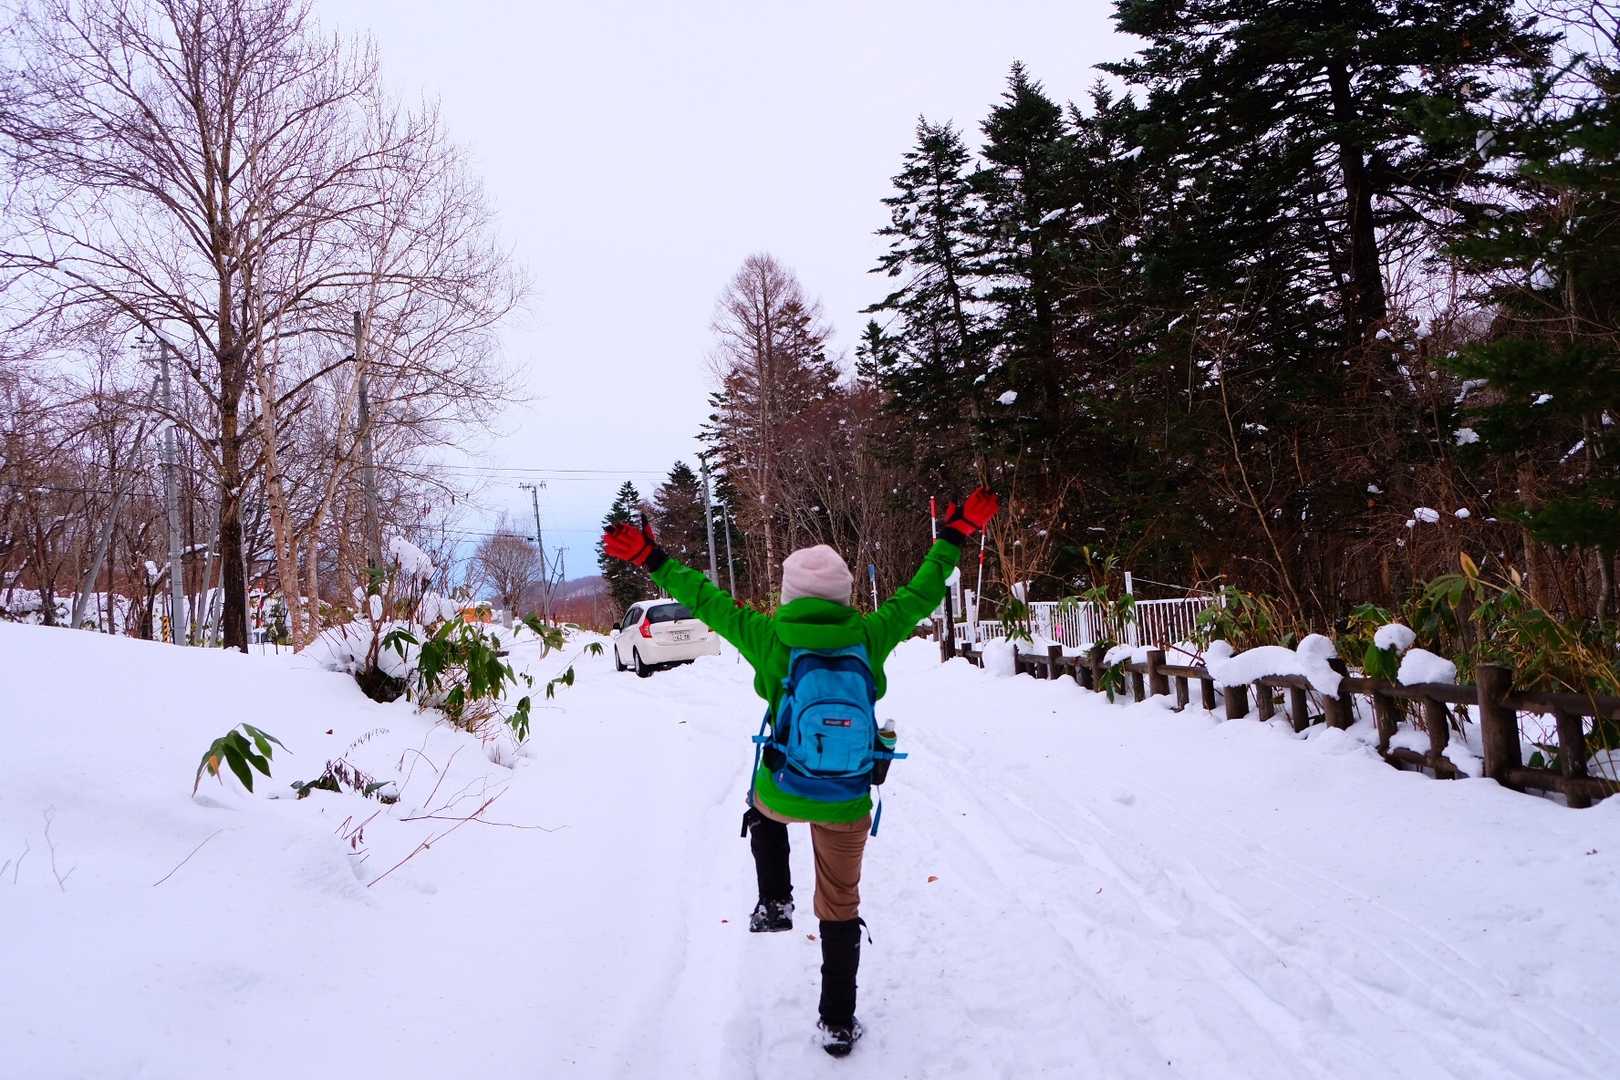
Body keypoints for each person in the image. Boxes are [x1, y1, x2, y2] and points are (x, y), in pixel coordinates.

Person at [601, 487, 999, 1057]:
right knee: (841, 905)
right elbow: (920, 593)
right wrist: (955, 534)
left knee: (760, 805)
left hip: (785, 787)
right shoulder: (870, 634)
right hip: (847, 796)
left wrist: (652, 557)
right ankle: (837, 1022)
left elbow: (705, 599)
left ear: (790, 594)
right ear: (843, 595)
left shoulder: (769, 637)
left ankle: (775, 899)